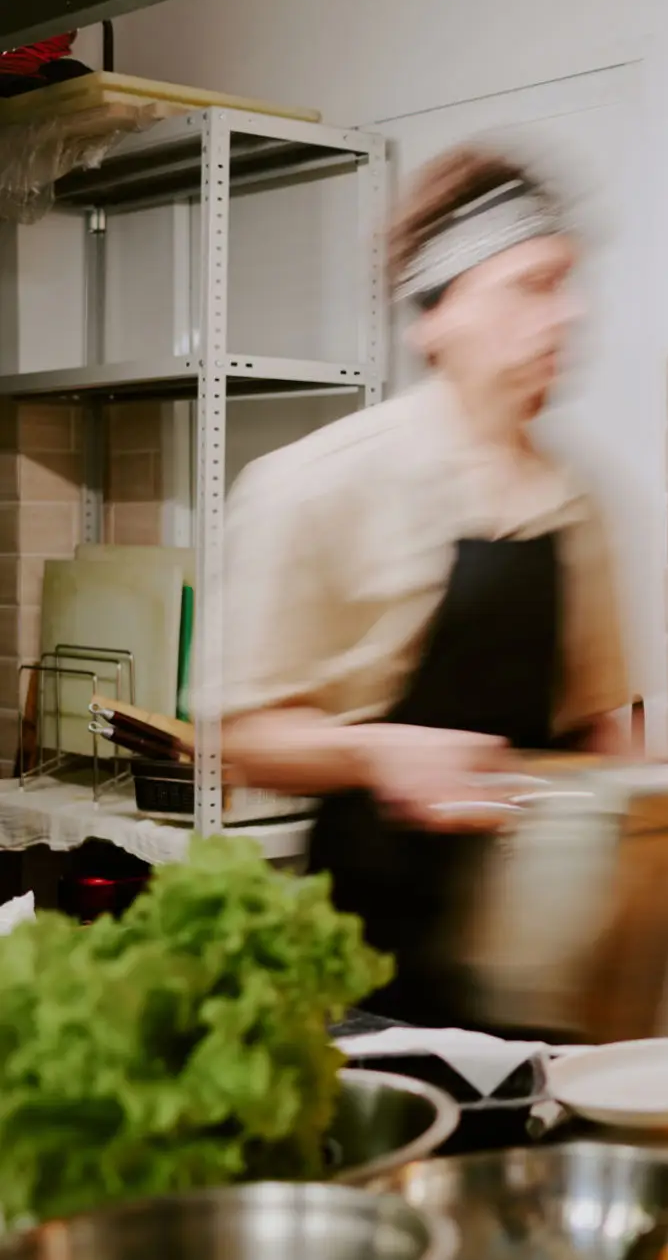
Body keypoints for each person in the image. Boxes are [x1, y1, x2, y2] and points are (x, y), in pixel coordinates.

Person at [221, 144, 631, 1025]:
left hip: (540, 967)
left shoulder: (579, 497)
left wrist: (664, 803)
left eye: (567, 283)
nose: (568, 313)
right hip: (376, 976)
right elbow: (241, 733)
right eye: (530, 286)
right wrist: (378, 751)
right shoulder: (314, 486)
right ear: (435, 318)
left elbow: (596, 726)